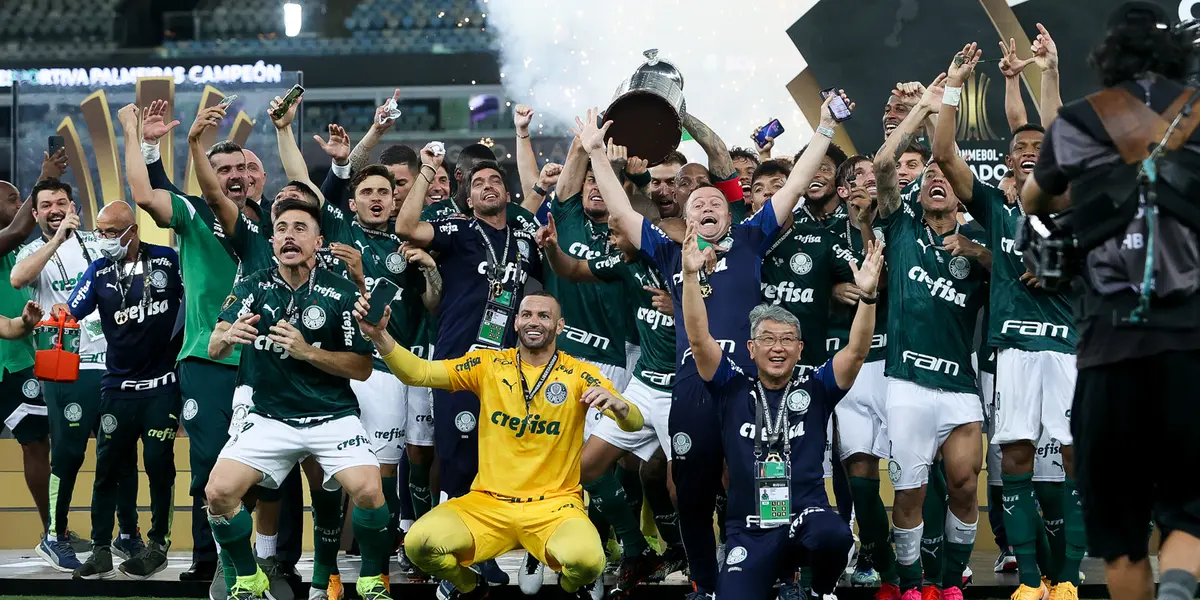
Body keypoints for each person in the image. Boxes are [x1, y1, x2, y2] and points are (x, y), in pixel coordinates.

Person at [581, 90, 853, 598]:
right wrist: (597, 154)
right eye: (696, 204)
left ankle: (781, 574)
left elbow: (794, 185)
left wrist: (823, 130)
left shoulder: (751, 239)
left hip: (753, 388)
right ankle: (706, 583)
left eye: (715, 202)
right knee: (691, 491)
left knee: (763, 483)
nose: (707, 206)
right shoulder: (668, 253)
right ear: (687, 219)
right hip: (694, 387)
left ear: (729, 214)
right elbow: (620, 211)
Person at [1021, 4, 1200, 600]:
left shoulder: (1077, 121)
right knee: (1189, 510)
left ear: (1109, 55)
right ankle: (1179, 586)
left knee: (1121, 533)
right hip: (1192, 346)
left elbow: (1032, 201)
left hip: (1108, 348)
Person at [358, 289, 643, 600]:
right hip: (488, 505)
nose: (534, 322)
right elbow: (418, 372)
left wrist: (621, 407)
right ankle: (468, 586)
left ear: (559, 326)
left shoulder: (581, 373)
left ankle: (570, 586)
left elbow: (635, 423)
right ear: (516, 323)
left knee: (588, 562)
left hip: (554, 507)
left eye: (544, 316)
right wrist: (379, 337)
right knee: (418, 545)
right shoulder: (488, 364)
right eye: (527, 315)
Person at [936, 29, 1082, 600]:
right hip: (1014, 351)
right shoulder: (996, 209)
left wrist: (1049, 72)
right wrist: (952, 92)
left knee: (1074, 458)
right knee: (1015, 455)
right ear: (1007, 163)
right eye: (1018, 148)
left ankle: (1068, 579)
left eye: (1037, 148)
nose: (1028, 151)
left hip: (1068, 346)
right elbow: (946, 154)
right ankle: (1030, 578)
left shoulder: (1070, 200)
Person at [137, 102, 301, 597]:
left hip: (272, 362)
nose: (235, 176)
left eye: (245, 168)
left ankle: (278, 565)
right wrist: (151, 144)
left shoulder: (283, 228)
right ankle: (216, 564)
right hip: (208, 361)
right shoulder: (196, 212)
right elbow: (151, 193)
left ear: (260, 176)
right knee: (209, 469)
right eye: (223, 167)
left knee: (277, 469)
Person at [682, 216, 883, 600]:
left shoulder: (816, 387)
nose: (778, 347)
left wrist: (868, 297)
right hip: (750, 528)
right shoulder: (730, 385)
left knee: (834, 534)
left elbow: (856, 352)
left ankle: (821, 591)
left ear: (800, 349)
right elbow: (697, 336)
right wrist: (691, 278)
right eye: (768, 339)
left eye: (788, 339)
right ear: (750, 348)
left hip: (804, 516)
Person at [204, 198, 391, 600]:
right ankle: (248, 576)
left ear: (318, 240)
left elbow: (361, 368)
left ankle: (374, 579)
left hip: (330, 415)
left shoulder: (341, 293)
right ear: (272, 241)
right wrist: (226, 336)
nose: (290, 235)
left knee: (369, 491)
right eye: (283, 228)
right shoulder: (251, 286)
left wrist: (308, 352)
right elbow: (215, 344)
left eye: (300, 228)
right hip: (269, 416)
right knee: (218, 493)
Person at [873, 49, 992, 600]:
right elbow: (880, 167)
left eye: (947, 172)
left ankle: (949, 585)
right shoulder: (900, 227)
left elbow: (1022, 274)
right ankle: (914, 584)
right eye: (929, 174)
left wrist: (980, 253)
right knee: (911, 495)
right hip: (907, 384)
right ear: (918, 187)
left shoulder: (979, 241)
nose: (937, 178)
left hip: (960, 385)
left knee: (966, 485)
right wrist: (925, 105)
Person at [11, 177, 143, 571]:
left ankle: (127, 534)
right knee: (68, 455)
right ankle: (54, 535)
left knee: (120, 453)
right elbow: (19, 279)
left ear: (74, 206)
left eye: (62, 202)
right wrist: (57, 241)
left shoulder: (95, 241)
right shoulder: (33, 249)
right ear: (35, 214)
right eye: (47, 205)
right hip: (66, 364)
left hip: (113, 362)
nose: (56, 209)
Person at [63, 201, 184, 580]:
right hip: (117, 388)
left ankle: (157, 545)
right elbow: (72, 311)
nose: (106, 240)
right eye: (101, 233)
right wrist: (49, 315)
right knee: (107, 470)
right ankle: (101, 550)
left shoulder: (168, 260)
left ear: (133, 230)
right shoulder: (99, 270)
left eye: (113, 232)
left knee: (159, 468)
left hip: (162, 387)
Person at [0, 176, 53, 551]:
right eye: (11, 198)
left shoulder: (16, 252)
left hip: (18, 360)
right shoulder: (12, 239)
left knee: (36, 443)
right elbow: (19, 227)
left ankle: (51, 532)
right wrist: (41, 181)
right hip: (11, 351)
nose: (19, 205)